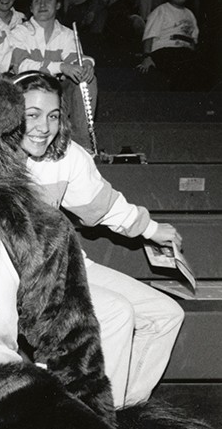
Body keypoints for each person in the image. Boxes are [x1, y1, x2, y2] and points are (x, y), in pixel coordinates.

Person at [13, 70, 184, 407]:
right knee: (116, 313)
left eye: (53, 115)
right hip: (17, 274)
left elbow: (101, 206)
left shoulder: (67, 156)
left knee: (165, 315)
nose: (43, 127)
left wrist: (150, 230)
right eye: (31, 115)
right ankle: (101, 420)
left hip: (64, 262)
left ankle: (124, 408)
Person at [9, 0, 98, 151]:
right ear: (31, 7)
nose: (42, 5)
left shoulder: (67, 34)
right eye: (37, 1)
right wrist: (61, 67)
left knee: (87, 79)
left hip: (58, 100)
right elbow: (22, 66)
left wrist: (86, 65)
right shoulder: (19, 32)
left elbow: (75, 59)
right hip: (27, 99)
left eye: (48, 0)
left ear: (57, 5)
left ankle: (82, 145)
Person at [137, 0, 199, 89]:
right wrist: (147, 56)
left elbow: (193, 40)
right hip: (165, 50)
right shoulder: (162, 11)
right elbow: (149, 36)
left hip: (185, 51)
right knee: (179, 66)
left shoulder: (190, 14)